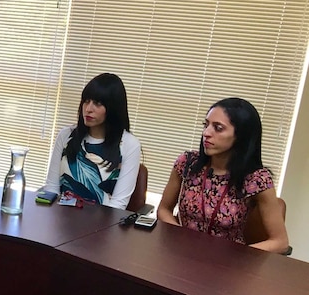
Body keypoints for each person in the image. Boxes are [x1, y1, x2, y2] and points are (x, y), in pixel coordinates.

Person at [157, 97, 289, 252]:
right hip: (181, 252)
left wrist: (237, 258)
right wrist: (179, 235)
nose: (206, 133)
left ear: (241, 136)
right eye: (205, 125)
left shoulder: (257, 179)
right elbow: (164, 209)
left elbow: (280, 242)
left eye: (218, 128)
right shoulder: (187, 162)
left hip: (227, 263)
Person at [44, 73, 141, 209]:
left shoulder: (129, 144)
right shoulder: (66, 135)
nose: (88, 109)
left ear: (113, 108)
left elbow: (118, 205)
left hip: (102, 225)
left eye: (97, 103)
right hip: (61, 218)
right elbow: (51, 188)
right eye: (86, 101)